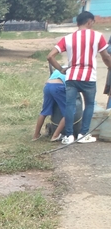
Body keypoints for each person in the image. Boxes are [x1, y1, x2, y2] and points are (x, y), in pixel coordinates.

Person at [47, 11, 111, 144]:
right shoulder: (98, 36)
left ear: (77, 23)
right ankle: (83, 135)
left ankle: (69, 136)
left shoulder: (67, 38)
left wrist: (61, 69)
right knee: (89, 105)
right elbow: (105, 56)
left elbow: (50, 56)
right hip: (89, 77)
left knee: (70, 106)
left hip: (71, 77)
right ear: (90, 22)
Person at [33, 70, 67, 142]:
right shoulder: (73, 70)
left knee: (44, 112)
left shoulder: (60, 69)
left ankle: (36, 135)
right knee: (68, 112)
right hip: (59, 87)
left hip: (48, 86)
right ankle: (55, 135)